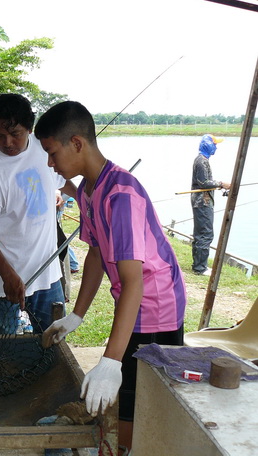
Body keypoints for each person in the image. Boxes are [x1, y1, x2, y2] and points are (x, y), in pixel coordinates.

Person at [35, 101, 186, 453]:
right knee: (129, 391)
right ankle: (121, 444)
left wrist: (110, 360)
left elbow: (135, 282)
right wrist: (77, 315)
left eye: (52, 153)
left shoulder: (120, 194)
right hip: (133, 300)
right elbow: (97, 254)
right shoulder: (88, 190)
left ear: (76, 143)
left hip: (156, 304)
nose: (50, 163)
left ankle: (128, 448)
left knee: (143, 395)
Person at [0, 93, 76, 335]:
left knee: (53, 341)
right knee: (3, 349)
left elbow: (62, 180)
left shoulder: (42, 148)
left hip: (47, 272)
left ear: (29, 128)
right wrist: (8, 275)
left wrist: (88, 201)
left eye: (16, 134)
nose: (8, 143)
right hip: (2, 281)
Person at [191, 134, 231, 276]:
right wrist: (221, 183)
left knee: (200, 233)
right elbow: (203, 183)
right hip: (202, 202)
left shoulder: (202, 160)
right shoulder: (201, 161)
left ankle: (198, 264)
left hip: (202, 201)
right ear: (209, 145)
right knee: (205, 233)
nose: (216, 147)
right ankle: (200, 268)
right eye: (215, 144)